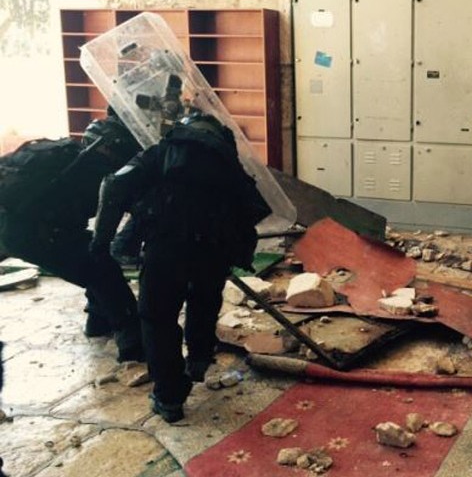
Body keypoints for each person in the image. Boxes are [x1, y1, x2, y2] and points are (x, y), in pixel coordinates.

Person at [90, 112, 271, 422]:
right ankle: (199, 359)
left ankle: (170, 398)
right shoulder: (227, 162)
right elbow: (255, 209)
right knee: (204, 301)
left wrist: (102, 241)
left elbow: (114, 185)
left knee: (157, 318)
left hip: (165, 248)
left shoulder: (161, 153)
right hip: (212, 250)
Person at [0, 113, 144, 362]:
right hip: (32, 234)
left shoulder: (63, 155)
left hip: (11, 223)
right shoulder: (97, 172)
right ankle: (134, 346)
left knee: (90, 257)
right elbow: (121, 217)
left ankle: (98, 321)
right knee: (103, 270)